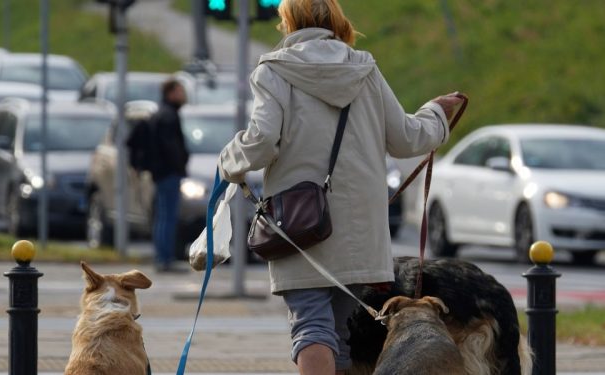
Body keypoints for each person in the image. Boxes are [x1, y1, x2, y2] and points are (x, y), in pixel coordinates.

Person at [216, 0, 464, 374]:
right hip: (360, 228)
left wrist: (229, 161)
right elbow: (407, 139)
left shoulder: (275, 70)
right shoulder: (365, 69)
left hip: (300, 221)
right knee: (337, 332)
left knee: (311, 326)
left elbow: (263, 138)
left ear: (288, 20)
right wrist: (437, 114)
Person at [150, 79, 190, 273]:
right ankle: (164, 258)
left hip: (162, 173)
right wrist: (180, 164)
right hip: (168, 174)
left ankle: (162, 256)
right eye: (180, 91)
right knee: (167, 216)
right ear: (171, 93)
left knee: (163, 215)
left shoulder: (162, 113)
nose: (183, 95)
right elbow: (171, 147)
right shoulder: (168, 116)